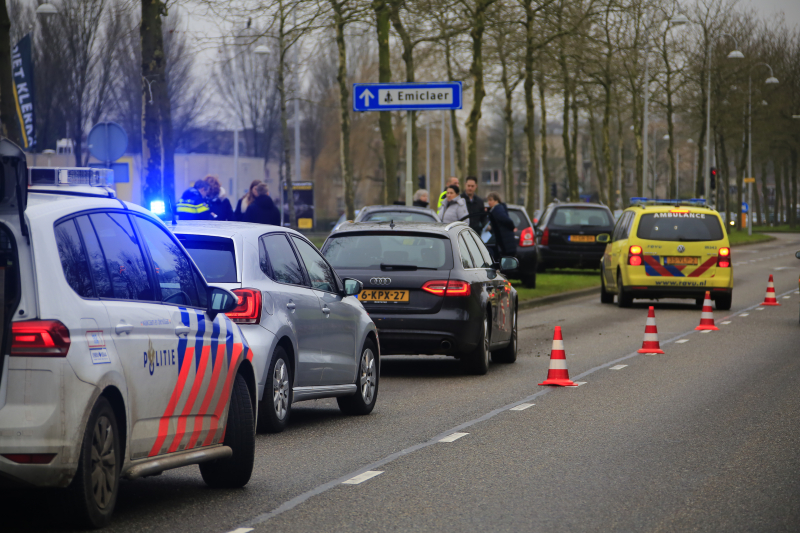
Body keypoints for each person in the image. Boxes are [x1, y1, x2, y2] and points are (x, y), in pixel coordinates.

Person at [486, 192, 516, 260]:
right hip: (506, 241)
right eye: (488, 200)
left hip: (505, 241)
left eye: (490, 200)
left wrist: (512, 227)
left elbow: (507, 220)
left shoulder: (497, 210)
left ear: (496, 200)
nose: (489, 202)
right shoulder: (498, 209)